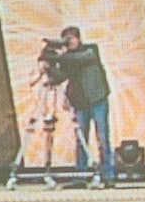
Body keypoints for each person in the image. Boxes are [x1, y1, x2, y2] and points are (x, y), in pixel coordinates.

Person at [46, 28, 113, 187]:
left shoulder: (91, 50)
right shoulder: (68, 59)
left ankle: (108, 175)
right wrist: (50, 65)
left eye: (71, 39)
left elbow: (81, 59)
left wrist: (60, 57)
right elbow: (59, 77)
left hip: (97, 100)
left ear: (78, 38)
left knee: (102, 138)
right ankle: (80, 175)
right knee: (81, 140)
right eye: (66, 40)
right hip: (80, 104)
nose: (69, 43)